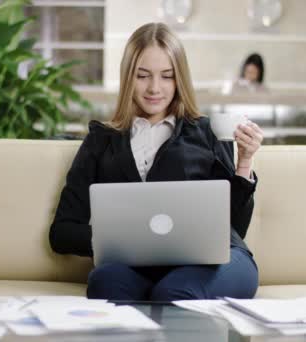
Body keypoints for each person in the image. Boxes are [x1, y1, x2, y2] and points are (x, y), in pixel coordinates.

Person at [49, 22, 264, 301]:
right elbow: (62, 233)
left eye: (166, 76)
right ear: (128, 77)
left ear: (179, 80)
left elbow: (233, 227)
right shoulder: (101, 140)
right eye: (142, 75)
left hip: (214, 265)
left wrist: (244, 163)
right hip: (134, 267)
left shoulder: (206, 132)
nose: (154, 88)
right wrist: (121, 237)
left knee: (174, 291)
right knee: (105, 282)